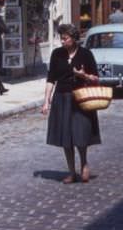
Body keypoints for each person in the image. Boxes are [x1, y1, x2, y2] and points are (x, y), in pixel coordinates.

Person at [42, 23, 101, 184]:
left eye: (65, 39)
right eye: (61, 38)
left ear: (74, 39)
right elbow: (50, 79)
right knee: (65, 136)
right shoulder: (57, 54)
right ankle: (71, 171)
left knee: (80, 134)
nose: (62, 42)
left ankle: (84, 164)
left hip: (80, 98)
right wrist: (46, 101)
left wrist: (84, 76)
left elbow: (96, 78)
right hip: (62, 97)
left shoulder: (85, 54)